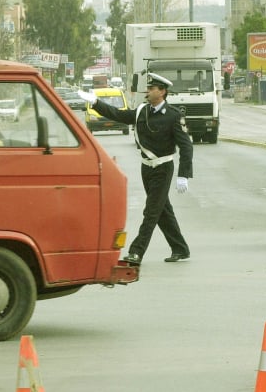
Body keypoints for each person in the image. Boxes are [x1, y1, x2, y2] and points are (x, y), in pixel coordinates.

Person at [77, 73, 192, 265]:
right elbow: (118, 115)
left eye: (152, 88)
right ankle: (180, 248)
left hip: (163, 168)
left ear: (162, 92)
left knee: (151, 212)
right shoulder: (141, 112)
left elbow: (186, 146)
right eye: (148, 87)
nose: (148, 91)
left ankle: (136, 252)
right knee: (163, 210)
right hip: (146, 168)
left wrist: (183, 175)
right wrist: (96, 102)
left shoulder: (173, 116)